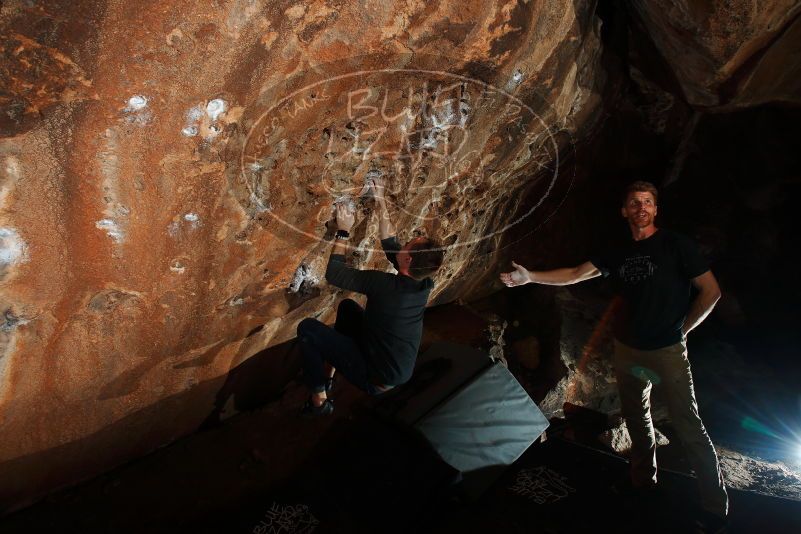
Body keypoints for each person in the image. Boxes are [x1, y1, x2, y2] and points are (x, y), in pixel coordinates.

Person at [500, 181, 728, 528]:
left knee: (688, 425)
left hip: (667, 351)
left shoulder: (675, 245)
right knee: (637, 420)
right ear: (624, 211)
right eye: (634, 202)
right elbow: (576, 273)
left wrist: (683, 330)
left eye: (648, 202)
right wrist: (530, 276)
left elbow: (710, 291)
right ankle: (642, 485)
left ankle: (714, 508)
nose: (641, 207)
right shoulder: (617, 251)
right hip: (628, 350)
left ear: (656, 209)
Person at [297, 176, 444, 416]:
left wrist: (343, 230)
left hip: (375, 376)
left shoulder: (387, 286)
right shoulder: (422, 281)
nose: (404, 243)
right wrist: (381, 202)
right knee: (347, 308)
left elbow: (335, 274)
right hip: (386, 356)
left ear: (407, 261)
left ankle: (319, 401)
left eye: (408, 244)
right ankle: (330, 372)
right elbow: (390, 242)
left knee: (308, 330)